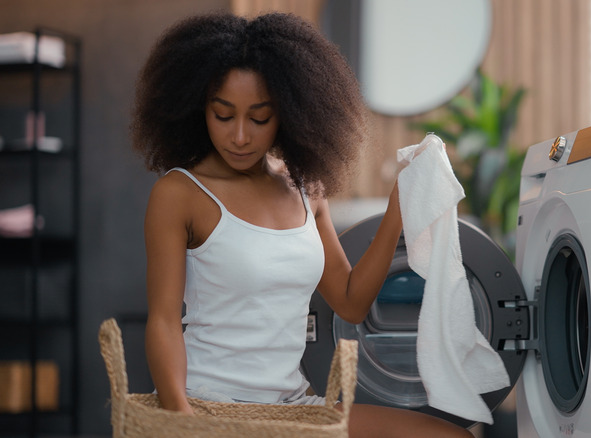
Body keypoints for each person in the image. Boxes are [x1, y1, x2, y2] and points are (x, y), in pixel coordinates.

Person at [131, 11, 472, 438]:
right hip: (208, 405)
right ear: (199, 109)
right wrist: (181, 419)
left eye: (259, 118)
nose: (240, 136)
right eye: (223, 115)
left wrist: (396, 210)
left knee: (452, 436)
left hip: (293, 407)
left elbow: (350, 302)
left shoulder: (306, 188)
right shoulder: (179, 193)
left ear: (288, 113)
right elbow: (163, 322)